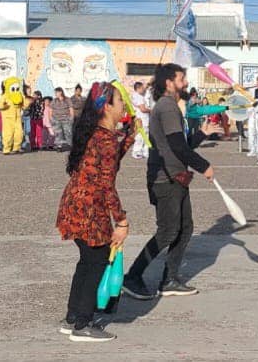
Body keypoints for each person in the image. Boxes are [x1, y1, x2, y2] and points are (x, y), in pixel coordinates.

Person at [122, 63, 220, 300]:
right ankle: (132, 277)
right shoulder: (167, 107)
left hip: (177, 177)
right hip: (165, 179)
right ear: (169, 82)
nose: (185, 82)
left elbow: (179, 145)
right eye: (181, 78)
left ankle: (169, 280)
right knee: (167, 231)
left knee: (185, 229)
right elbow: (177, 146)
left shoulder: (171, 107)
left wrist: (200, 135)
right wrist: (203, 165)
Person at [56, 81, 136, 342]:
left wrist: (130, 137)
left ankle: (72, 318)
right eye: (119, 101)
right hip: (90, 207)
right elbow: (106, 183)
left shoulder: (96, 133)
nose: (123, 105)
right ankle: (83, 324)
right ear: (107, 107)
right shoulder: (106, 137)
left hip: (74, 203)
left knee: (87, 260)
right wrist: (121, 221)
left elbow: (106, 164)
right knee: (98, 260)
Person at [130, 81, 151, 158]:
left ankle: (145, 151)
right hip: (142, 119)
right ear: (138, 88)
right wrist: (151, 110)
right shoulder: (138, 97)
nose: (143, 89)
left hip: (142, 119)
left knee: (146, 135)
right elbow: (143, 109)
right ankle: (137, 151)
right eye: (142, 88)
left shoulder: (135, 95)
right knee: (140, 136)